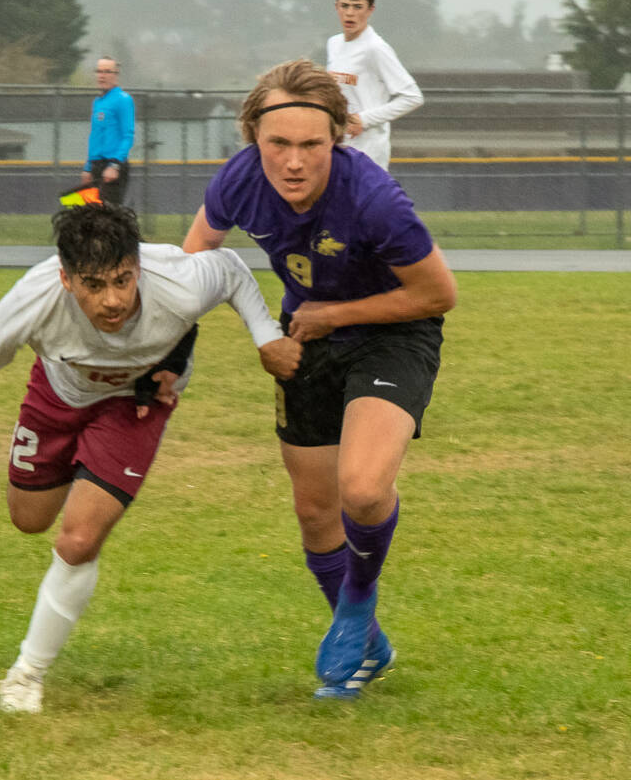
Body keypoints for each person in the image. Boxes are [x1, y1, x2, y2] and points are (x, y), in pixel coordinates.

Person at [0, 196, 301, 714]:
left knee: (78, 539)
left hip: (133, 404)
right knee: (28, 519)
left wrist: (265, 338)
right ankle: (75, 466)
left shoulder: (177, 280)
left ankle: (26, 674)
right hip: (56, 396)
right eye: (94, 286)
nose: (113, 300)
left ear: (138, 267)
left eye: (122, 280)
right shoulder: (32, 299)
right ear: (66, 279)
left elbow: (231, 269)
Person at [183, 59, 456, 700]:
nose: (295, 162)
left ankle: (357, 605)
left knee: (361, 490)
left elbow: (438, 294)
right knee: (314, 513)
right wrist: (169, 364)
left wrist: (335, 314)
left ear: (338, 139)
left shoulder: (373, 199)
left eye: (312, 144)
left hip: (394, 332)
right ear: (254, 139)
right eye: (278, 144)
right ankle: (369, 648)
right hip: (308, 335)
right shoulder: (239, 180)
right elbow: (190, 268)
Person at [326, 0, 423, 171]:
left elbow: (412, 97)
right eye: (345, 6)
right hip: (338, 148)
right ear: (336, 7)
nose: (350, 13)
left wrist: (364, 119)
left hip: (368, 153)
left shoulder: (376, 48)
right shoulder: (334, 44)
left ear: (370, 10)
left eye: (357, 7)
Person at [77, 56, 135, 205]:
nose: (102, 75)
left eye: (107, 71)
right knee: (88, 214)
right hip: (96, 166)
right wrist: (88, 168)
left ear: (115, 75)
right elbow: (95, 137)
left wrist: (115, 166)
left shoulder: (123, 99)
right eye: (99, 71)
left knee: (109, 219)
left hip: (112, 167)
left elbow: (128, 136)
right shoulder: (98, 102)